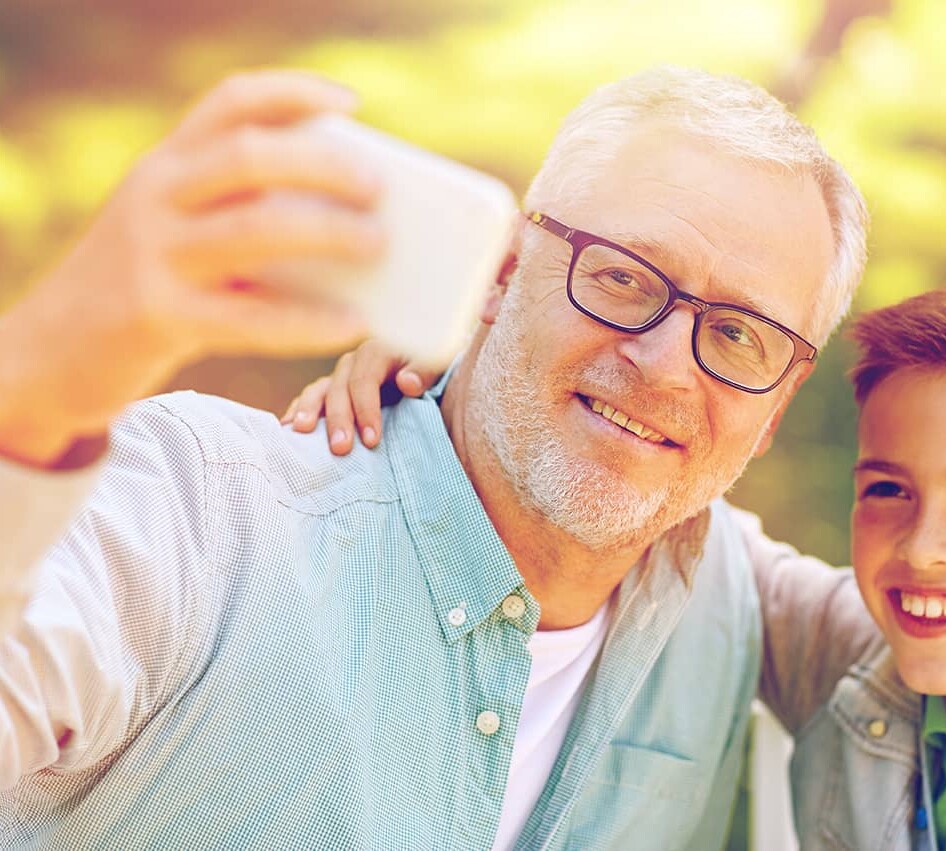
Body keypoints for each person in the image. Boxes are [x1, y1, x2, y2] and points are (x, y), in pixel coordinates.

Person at [0, 66, 870, 847]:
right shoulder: (201, 513)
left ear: (777, 406)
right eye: (622, 276)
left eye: (739, 334)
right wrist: (59, 358)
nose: (668, 366)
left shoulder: (734, 596)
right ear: (504, 271)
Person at [299, 272, 946, 849]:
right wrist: (489, 382)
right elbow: (661, 507)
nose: (923, 547)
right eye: (886, 487)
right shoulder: (862, 667)